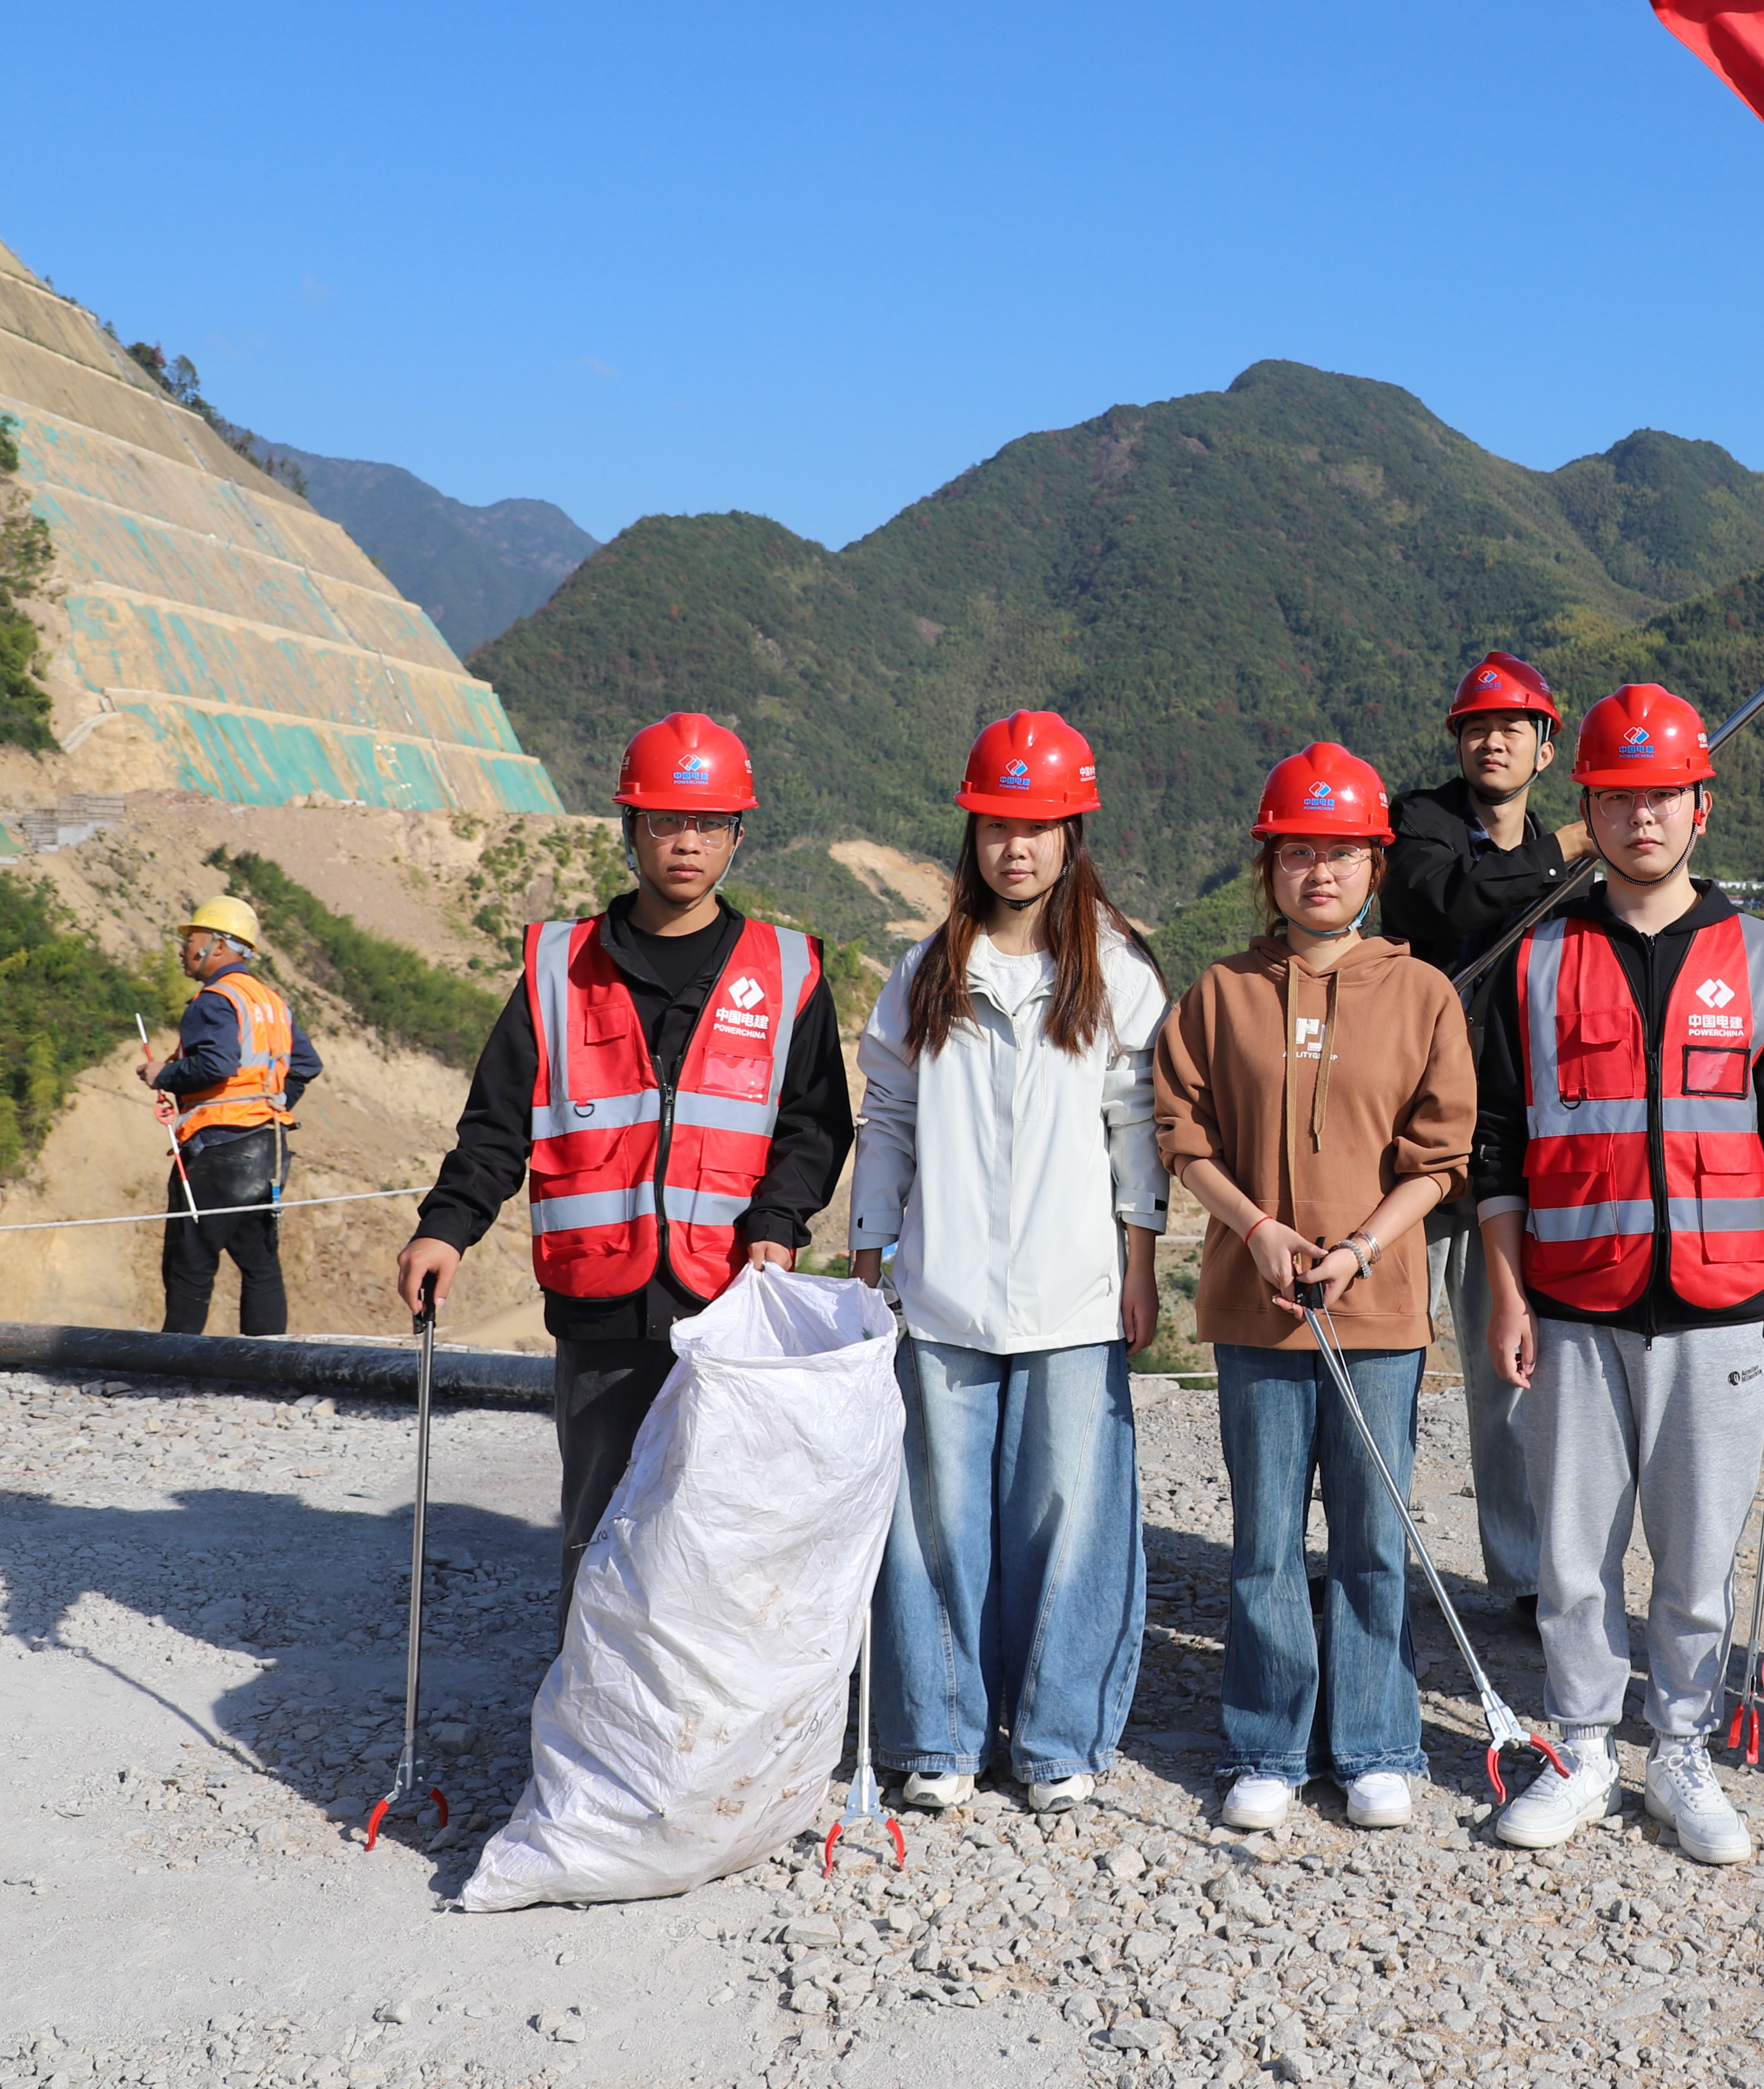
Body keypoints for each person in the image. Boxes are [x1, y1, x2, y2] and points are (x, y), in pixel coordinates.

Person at [393, 713, 853, 1631]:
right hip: (600, 1302)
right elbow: (498, 1121)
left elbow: (814, 1123)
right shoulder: (560, 969)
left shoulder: (786, 970)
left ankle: (702, 1714)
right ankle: (592, 1712)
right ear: (631, 829)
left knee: (720, 1527)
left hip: (728, 1301)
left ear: (737, 836)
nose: (687, 842)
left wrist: (778, 1224)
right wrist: (447, 1225)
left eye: (709, 823)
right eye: (666, 820)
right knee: (600, 1526)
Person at [1471, 684, 1764, 1868]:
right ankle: (1581, 1747)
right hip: (1573, 1299)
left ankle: (1680, 1749)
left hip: (1721, 1303)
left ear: (1700, 806)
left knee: (1697, 1548)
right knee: (1574, 1553)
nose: (1642, 818)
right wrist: (1507, 1293)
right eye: (1618, 799)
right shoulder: (1540, 961)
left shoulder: (1758, 955)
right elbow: (1500, 1144)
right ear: (1592, 810)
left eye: (1663, 796)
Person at [851, 709, 1171, 1819]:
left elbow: (1138, 1128)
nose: (1017, 847)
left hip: (1074, 1293)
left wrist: (1140, 1264)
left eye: (1038, 826)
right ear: (973, 836)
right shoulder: (927, 971)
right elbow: (888, 1116)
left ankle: (1054, 1737)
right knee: (935, 1523)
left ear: (1072, 834)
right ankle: (939, 1735)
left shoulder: (1118, 974)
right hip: (941, 1293)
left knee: (1065, 1520)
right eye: (998, 826)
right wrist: (869, 1250)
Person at [1153, 742, 1475, 1833]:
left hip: (1377, 1310)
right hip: (1257, 1307)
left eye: (1342, 853)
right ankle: (1268, 1744)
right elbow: (1181, 1133)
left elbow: (1442, 1156)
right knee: (1263, 1541)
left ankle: (1377, 1741)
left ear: (1376, 866)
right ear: (1270, 866)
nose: (1320, 872)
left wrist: (1363, 1248)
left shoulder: (1421, 992)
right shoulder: (1222, 992)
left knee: (1374, 1537)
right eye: (1298, 852)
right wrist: (1255, 1229)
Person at [1377, 650, 1585, 1624]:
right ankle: (1374, 1557)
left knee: (1513, 1361)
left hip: (1516, 1138)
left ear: (1546, 748)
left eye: (1513, 727)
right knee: (1387, 1353)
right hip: (1411, 1136)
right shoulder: (1418, 824)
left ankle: (1526, 1572)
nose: (1492, 740)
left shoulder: (1570, 866)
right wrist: (1563, 852)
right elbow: (1445, 901)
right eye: (1477, 727)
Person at [147, 894, 321, 1338]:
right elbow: (305, 1064)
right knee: (260, 1263)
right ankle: (266, 1363)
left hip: (219, 1151)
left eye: (192, 940)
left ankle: (173, 1363)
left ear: (219, 946)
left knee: (189, 1264)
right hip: (268, 1148)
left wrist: (162, 1075)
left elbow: (217, 1065)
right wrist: (269, 1105)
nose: (183, 950)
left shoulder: (214, 999)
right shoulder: (270, 1001)